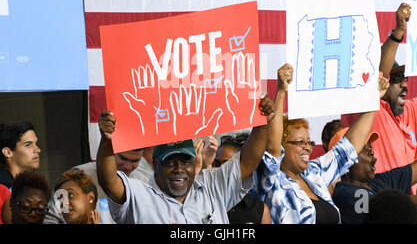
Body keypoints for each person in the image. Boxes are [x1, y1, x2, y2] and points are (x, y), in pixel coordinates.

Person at [96, 93, 276, 224]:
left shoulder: (212, 186)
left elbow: (247, 161)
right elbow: (109, 181)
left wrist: (262, 123)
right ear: (156, 163)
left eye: (186, 161)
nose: (179, 168)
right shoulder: (139, 195)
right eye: (171, 162)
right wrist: (106, 140)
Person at [250, 63, 390, 224]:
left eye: (309, 142)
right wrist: (281, 91)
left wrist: (373, 100)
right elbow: (272, 146)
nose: (308, 148)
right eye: (300, 142)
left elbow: (350, 146)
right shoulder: (269, 180)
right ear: (282, 146)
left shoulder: (313, 173)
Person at [342, 3, 417, 180]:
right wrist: (399, 32)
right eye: (396, 80)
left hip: (405, 201)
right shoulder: (367, 107)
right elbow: (380, 71)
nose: (404, 85)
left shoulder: (410, 109)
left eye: (405, 79)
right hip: (374, 198)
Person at [330, 127, 417, 224]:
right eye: (364, 149)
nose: (372, 152)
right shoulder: (346, 195)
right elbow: (396, 210)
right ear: (344, 160)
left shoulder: (377, 181)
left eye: (370, 147)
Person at [43, 147, 152, 224]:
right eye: (123, 158)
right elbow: (51, 219)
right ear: (109, 152)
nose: (128, 166)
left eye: (135, 161)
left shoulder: (144, 182)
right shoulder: (79, 176)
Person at [213, 134, 272, 224]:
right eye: (217, 164)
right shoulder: (204, 202)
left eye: (227, 165)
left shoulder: (260, 210)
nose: (221, 170)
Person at [0, 121, 41, 224]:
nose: (38, 150)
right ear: (8, 152)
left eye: (36, 144)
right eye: (28, 145)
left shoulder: (29, 187)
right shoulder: (2, 190)